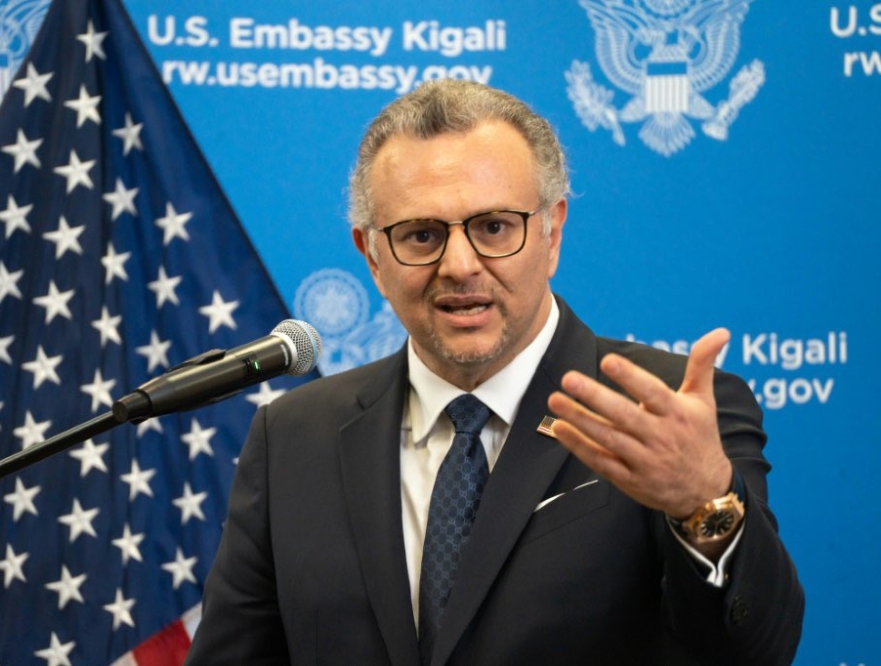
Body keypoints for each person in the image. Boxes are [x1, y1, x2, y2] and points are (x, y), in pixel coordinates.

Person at [184, 80, 804, 665]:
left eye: (494, 227)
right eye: (421, 235)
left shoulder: (670, 412)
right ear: (371, 255)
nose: (459, 264)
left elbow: (756, 651)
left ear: (553, 231)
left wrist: (704, 506)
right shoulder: (295, 436)